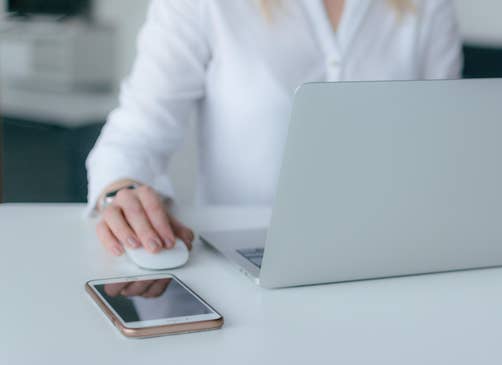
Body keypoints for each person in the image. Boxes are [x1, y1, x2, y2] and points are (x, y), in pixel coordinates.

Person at [87, 0, 463, 256]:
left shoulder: (428, 7)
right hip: (243, 256)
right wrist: (121, 189)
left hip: (389, 255)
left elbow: (444, 148)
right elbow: (136, 134)